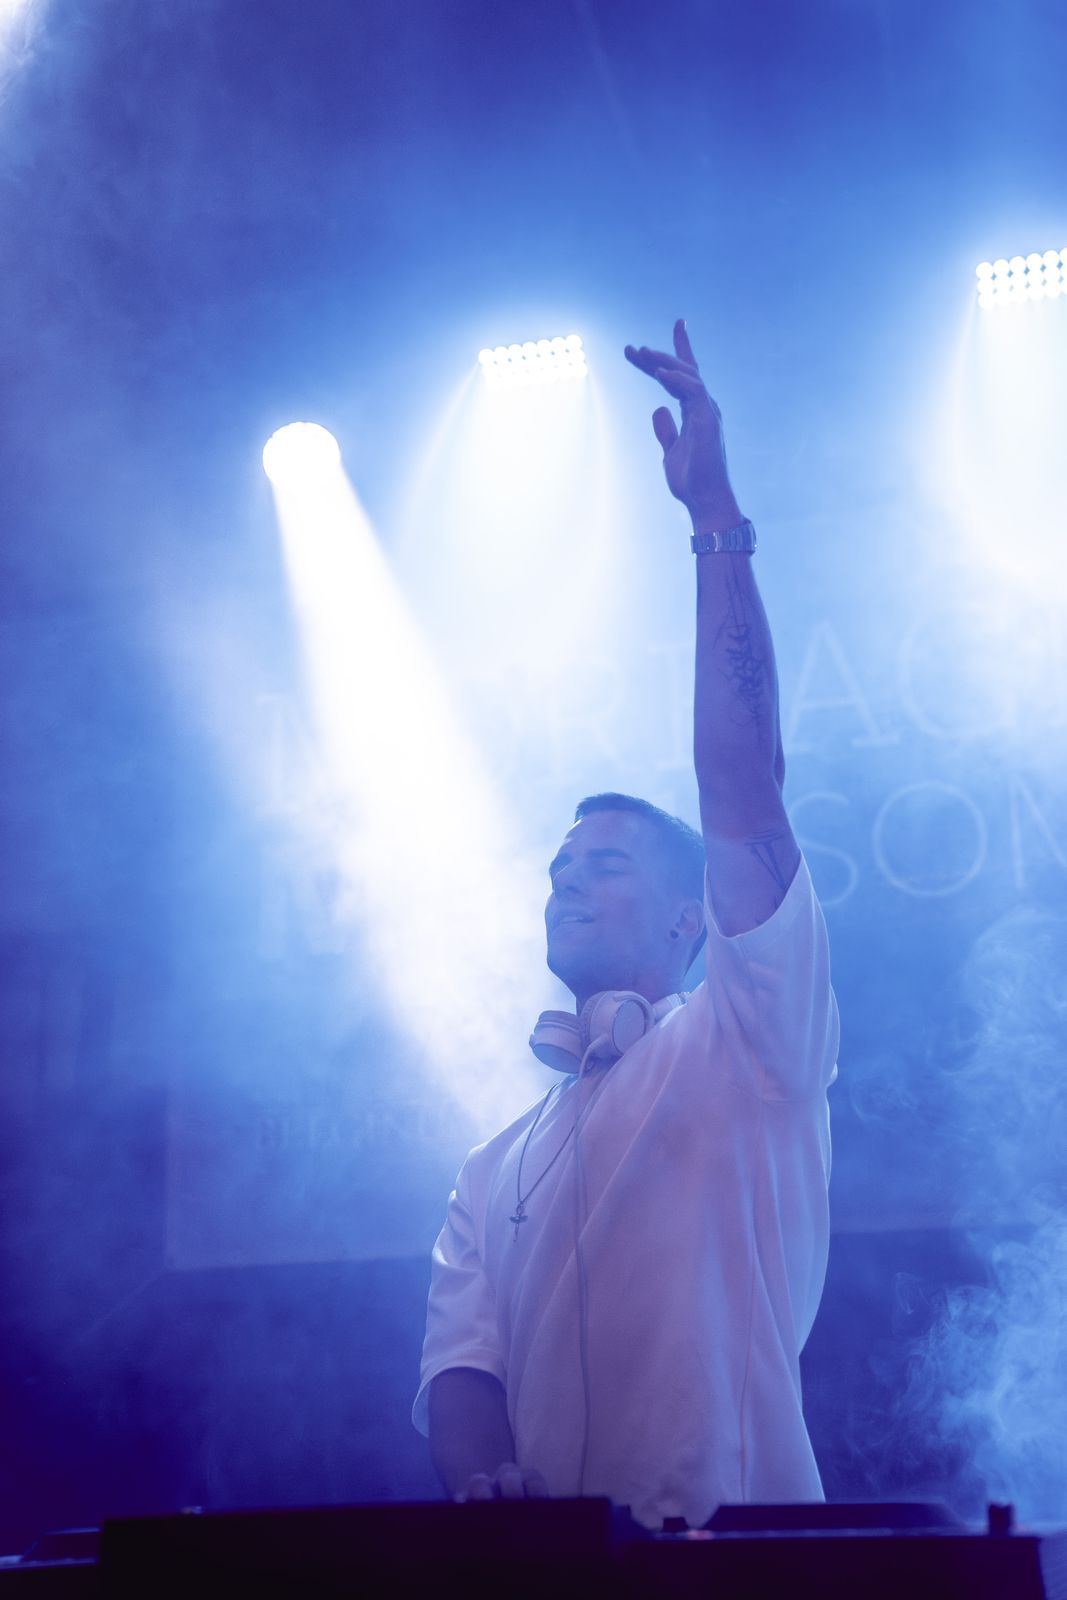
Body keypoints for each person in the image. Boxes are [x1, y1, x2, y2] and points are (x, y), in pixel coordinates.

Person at [412, 321, 839, 1530]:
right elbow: (459, 1370)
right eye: (556, 866)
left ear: (690, 918)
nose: (564, 881)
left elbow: (742, 783)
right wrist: (484, 1483)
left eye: (602, 863)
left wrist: (713, 519)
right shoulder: (493, 1162)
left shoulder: (744, 1039)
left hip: (743, 1567)